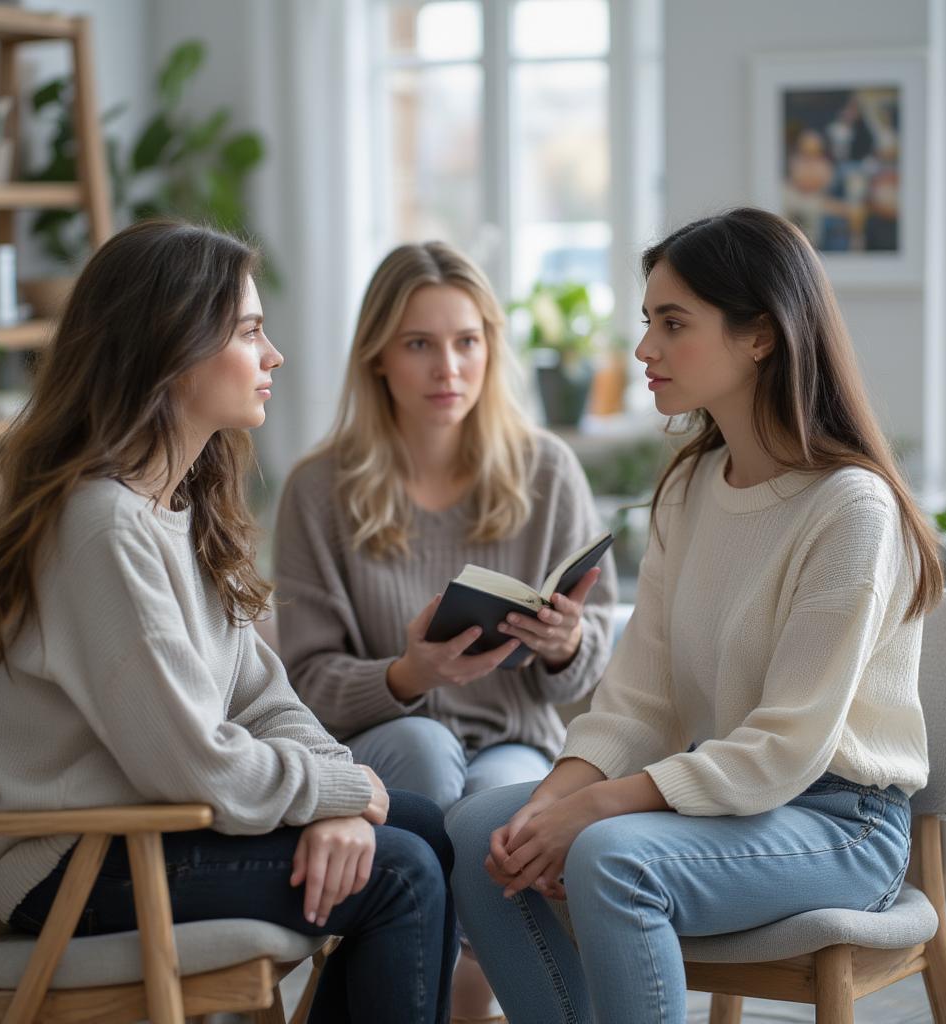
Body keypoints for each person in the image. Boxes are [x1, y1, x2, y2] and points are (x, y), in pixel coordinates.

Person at [0, 221, 458, 1024]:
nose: (274, 355)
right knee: (401, 870)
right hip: (75, 864)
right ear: (171, 350)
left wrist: (340, 799)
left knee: (427, 829)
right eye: (250, 331)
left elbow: (264, 698)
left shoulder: (170, 511)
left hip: (143, 837)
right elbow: (196, 764)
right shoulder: (103, 528)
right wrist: (342, 790)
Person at [445, 207, 943, 1024]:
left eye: (673, 324)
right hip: (718, 798)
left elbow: (786, 748)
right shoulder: (688, 487)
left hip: (839, 821)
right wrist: (552, 802)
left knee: (611, 856)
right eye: (648, 322)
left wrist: (596, 807)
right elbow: (640, 699)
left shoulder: (851, 508)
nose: (644, 349)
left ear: (760, 337)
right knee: (479, 830)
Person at [272, 241, 617, 1019]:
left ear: (492, 348)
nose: (447, 368)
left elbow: (595, 665)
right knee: (429, 753)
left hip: (513, 738)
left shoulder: (547, 471)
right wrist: (409, 675)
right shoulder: (319, 490)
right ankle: (436, 988)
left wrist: (563, 644)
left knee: (496, 808)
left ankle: (448, 991)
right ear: (378, 356)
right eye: (419, 344)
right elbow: (301, 684)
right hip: (382, 744)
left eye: (467, 342)